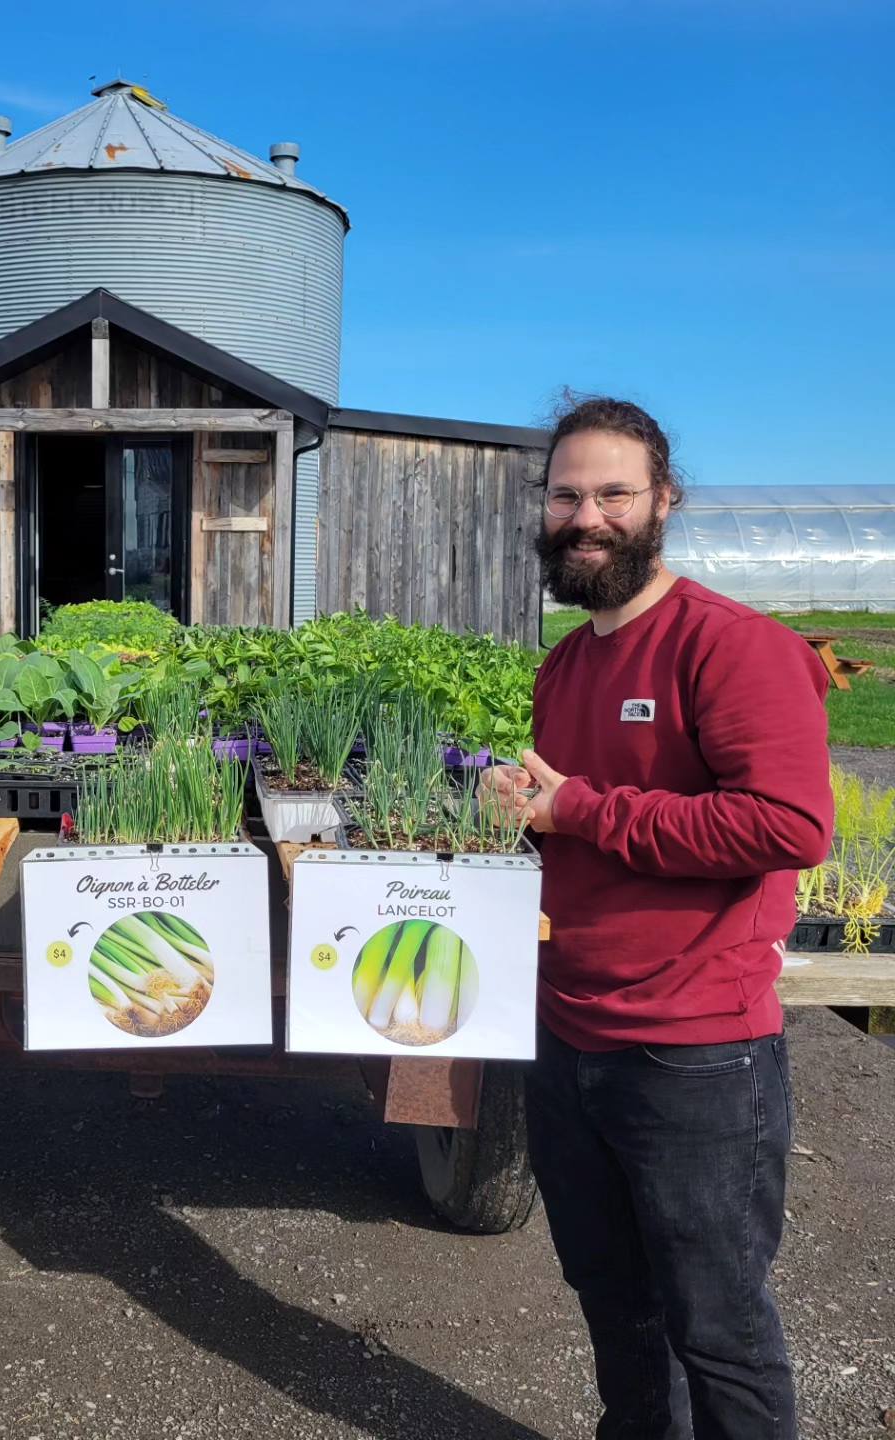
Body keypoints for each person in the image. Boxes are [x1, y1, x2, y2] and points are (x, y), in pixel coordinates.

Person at [482, 396, 832, 1439]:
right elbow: (581, 830)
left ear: (664, 501)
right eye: (567, 494)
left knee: (717, 1324)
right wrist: (518, 828)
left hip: (695, 1053)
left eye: (613, 494)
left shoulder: (731, 646)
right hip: (568, 1033)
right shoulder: (565, 663)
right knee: (614, 1304)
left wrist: (578, 808)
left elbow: (789, 823)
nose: (586, 516)